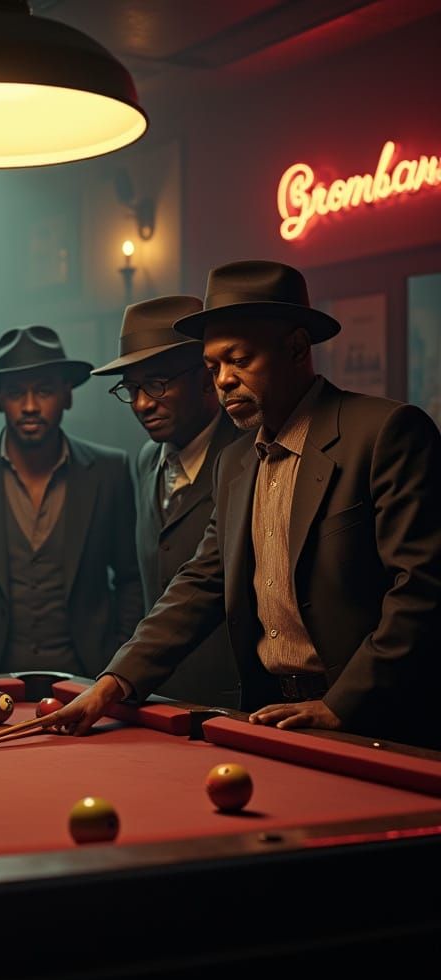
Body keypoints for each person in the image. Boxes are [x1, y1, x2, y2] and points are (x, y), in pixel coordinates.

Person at [48, 259, 441, 749]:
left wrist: (342, 704)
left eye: (239, 359)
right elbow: (200, 583)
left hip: (377, 721)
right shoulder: (235, 462)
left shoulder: (385, 432)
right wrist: (113, 683)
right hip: (267, 715)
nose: (224, 380)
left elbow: (423, 590)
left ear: (297, 348)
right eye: (213, 366)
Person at [0, 325, 142, 676]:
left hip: (88, 676)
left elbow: (131, 577)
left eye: (45, 391)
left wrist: (118, 660)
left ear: (67, 395)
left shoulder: (109, 470)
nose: (30, 406)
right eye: (15, 393)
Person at [92, 296, 243, 706]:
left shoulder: (250, 456)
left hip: (238, 705)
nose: (141, 403)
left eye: (157, 383)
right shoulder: (145, 461)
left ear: (205, 377)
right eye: (131, 388)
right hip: (155, 697)